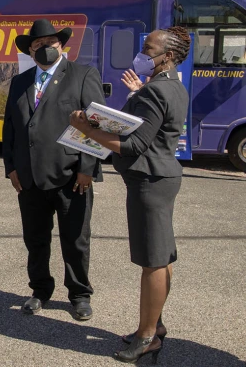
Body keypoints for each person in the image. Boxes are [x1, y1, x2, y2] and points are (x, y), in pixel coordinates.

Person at [69, 26, 191, 363]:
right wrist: (140, 92)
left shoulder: (156, 92)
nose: (142, 52)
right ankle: (156, 324)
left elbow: (134, 143)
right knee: (162, 256)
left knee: (152, 261)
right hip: (162, 177)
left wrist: (87, 129)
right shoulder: (172, 85)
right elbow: (152, 124)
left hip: (149, 182)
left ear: (166, 56)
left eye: (149, 48)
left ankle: (147, 335)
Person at [2, 19, 105, 320]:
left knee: (75, 239)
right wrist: (11, 167)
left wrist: (88, 168)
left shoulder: (83, 75)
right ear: (30, 50)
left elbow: (95, 126)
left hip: (72, 176)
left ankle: (79, 293)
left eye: (50, 43)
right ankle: (40, 290)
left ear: (61, 45)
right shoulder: (20, 82)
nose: (44, 48)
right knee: (35, 240)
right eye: (38, 45)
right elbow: (11, 128)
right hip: (29, 177)